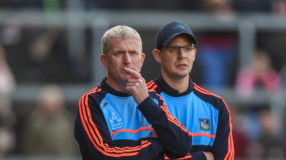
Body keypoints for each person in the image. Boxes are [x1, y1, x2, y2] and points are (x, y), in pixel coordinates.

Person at [74, 25, 192, 159]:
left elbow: (182, 146)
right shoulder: (91, 101)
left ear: (141, 60)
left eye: (133, 53)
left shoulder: (153, 99)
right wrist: (156, 144)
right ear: (104, 61)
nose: (127, 61)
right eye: (119, 53)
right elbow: (104, 156)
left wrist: (145, 102)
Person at [148, 21, 234, 159]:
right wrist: (203, 157)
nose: (182, 55)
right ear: (158, 55)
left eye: (187, 48)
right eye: (173, 49)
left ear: (194, 54)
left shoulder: (217, 106)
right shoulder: (142, 100)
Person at [22, 84, 78, 155]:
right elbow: (29, 143)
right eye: (47, 105)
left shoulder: (68, 120)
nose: (50, 108)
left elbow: (75, 144)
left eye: (53, 105)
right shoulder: (35, 121)